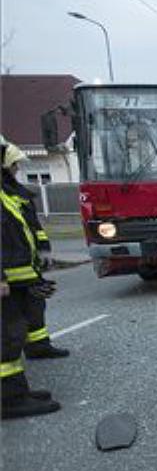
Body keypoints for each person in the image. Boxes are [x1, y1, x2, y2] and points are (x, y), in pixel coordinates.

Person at [1, 139, 60, 419]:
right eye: (12, 164)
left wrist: (42, 255)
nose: (15, 169)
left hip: (21, 274)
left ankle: (17, 391)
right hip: (7, 277)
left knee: (20, 325)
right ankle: (10, 399)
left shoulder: (11, 192)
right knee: (7, 335)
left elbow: (26, 228)